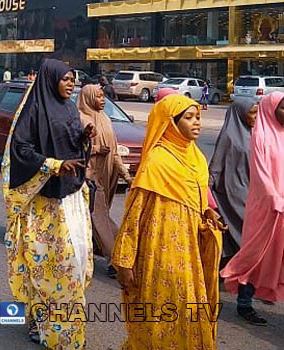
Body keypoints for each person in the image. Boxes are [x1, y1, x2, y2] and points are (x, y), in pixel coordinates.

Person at [113, 94, 225, 349]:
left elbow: (196, 199)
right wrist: (124, 260)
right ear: (171, 123)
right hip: (158, 252)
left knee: (190, 311)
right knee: (161, 314)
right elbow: (134, 213)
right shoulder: (157, 160)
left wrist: (207, 212)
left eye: (198, 117)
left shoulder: (196, 158)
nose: (197, 123)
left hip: (190, 251)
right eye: (188, 118)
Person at [2, 59, 95, 348]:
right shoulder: (33, 110)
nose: (71, 84)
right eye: (66, 79)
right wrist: (54, 165)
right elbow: (21, 150)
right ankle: (41, 323)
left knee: (75, 262)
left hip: (70, 196)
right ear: (51, 79)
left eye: (74, 80)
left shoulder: (69, 107)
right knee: (48, 267)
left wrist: (82, 137)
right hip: (44, 202)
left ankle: (54, 321)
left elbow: (65, 142)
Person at [221, 92, 284, 326]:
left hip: (282, 205)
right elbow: (262, 174)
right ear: (271, 109)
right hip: (266, 206)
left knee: (278, 255)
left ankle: (268, 290)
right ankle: (244, 304)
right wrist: (275, 199)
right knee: (256, 254)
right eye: (283, 109)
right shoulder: (260, 137)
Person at [77, 84, 132, 278]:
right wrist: (96, 149)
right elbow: (71, 149)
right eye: (98, 97)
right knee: (100, 217)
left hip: (106, 176)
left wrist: (126, 176)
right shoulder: (80, 119)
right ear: (89, 98)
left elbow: (114, 151)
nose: (102, 100)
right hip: (88, 177)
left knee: (96, 217)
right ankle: (117, 257)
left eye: (103, 97)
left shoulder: (105, 119)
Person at [208, 98, 258, 260]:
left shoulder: (255, 134)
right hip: (232, 195)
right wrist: (205, 195)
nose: (255, 117)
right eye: (251, 113)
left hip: (251, 192)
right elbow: (215, 166)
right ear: (240, 114)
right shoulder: (229, 136)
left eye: (257, 112)